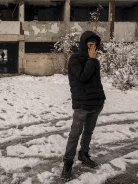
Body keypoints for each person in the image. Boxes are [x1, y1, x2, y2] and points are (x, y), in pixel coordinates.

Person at [61, 31, 106, 180]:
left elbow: (96, 83)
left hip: (96, 103)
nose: (93, 48)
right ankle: (67, 163)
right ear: (83, 44)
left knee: (89, 132)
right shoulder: (75, 59)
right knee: (75, 134)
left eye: (95, 45)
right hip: (82, 104)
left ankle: (84, 154)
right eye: (90, 45)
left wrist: (101, 98)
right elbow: (82, 78)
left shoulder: (94, 60)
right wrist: (92, 60)